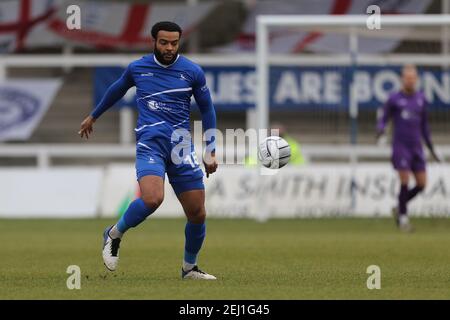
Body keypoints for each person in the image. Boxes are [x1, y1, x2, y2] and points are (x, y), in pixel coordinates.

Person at [78, 21, 218, 279]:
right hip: (150, 142)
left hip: (180, 146)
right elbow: (116, 90)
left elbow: (208, 109)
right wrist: (93, 116)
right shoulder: (138, 68)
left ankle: (189, 269)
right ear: (153, 41)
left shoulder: (192, 72)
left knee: (197, 212)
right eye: (164, 42)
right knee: (153, 198)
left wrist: (211, 148)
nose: (169, 47)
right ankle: (113, 233)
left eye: (174, 43)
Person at [376, 64, 440, 232]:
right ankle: (403, 219)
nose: (410, 81)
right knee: (404, 179)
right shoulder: (394, 99)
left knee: (421, 184)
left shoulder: (421, 99)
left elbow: (424, 126)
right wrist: (380, 130)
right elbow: (383, 118)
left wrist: (431, 147)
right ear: (402, 79)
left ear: (416, 79)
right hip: (400, 146)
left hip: (416, 146)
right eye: (407, 78)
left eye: (413, 78)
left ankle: (399, 206)